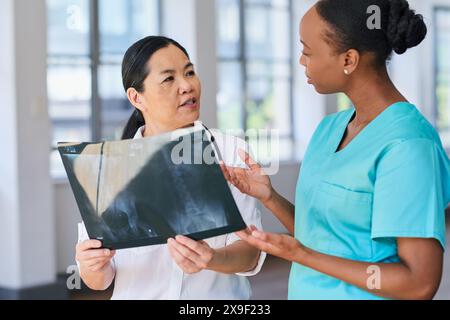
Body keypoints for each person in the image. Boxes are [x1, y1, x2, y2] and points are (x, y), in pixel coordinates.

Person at [222, 0, 450, 300]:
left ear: (349, 59)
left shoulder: (408, 147)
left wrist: (302, 255)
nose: (302, 62)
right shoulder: (329, 129)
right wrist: (270, 197)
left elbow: (418, 283)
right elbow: (323, 235)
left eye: (307, 51)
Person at [75, 36, 266, 300]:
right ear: (136, 97)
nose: (187, 85)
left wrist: (212, 258)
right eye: (168, 79)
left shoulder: (232, 152)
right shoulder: (107, 168)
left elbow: (252, 252)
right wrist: (91, 265)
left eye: (189, 72)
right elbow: (100, 280)